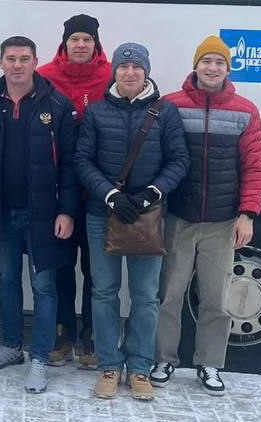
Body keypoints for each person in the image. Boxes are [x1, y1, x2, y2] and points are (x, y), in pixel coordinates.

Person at [0, 36, 79, 394]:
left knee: (44, 287)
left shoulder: (56, 105)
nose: (17, 65)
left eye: (24, 59)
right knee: (7, 280)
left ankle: (40, 357)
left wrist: (67, 211)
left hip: (43, 214)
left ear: (35, 62)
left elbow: (71, 165)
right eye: (11, 58)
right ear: (1, 62)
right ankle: (11, 346)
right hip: (0, 213)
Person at [152, 36, 261, 395]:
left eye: (219, 62)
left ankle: (210, 363)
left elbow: (254, 165)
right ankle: (164, 359)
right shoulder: (170, 105)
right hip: (179, 218)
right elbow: (157, 157)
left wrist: (247, 214)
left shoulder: (246, 110)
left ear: (228, 69)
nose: (212, 68)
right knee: (169, 295)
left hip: (222, 221)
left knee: (216, 299)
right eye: (206, 61)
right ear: (196, 66)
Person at [76, 42, 188, 402]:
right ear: (114, 72)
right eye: (123, 67)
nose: (130, 73)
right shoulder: (96, 112)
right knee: (104, 292)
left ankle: (139, 367)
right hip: (102, 215)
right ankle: (109, 365)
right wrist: (111, 195)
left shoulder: (165, 112)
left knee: (145, 296)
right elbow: (83, 161)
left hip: (148, 218)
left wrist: (151, 194)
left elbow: (179, 161)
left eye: (137, 67)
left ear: (146, 72)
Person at [37, 13, 112, 370]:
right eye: (74, 39)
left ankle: (92, 335)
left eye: (86, 39)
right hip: (57, 193)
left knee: (97, 270)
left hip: (99, 194)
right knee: (61, 267)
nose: (80, 44)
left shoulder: (112, 76)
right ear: (64, 43)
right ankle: (62, 331)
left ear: (95, 44)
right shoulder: (45, 77)